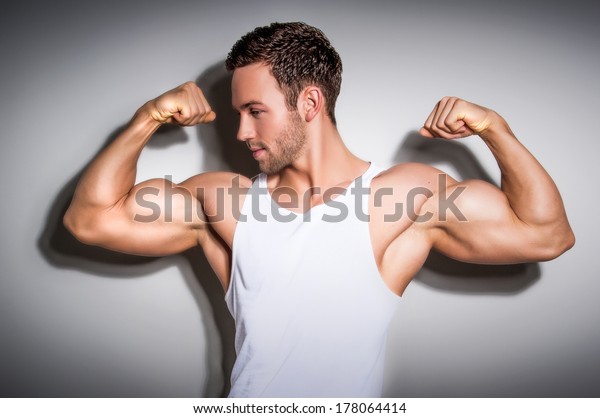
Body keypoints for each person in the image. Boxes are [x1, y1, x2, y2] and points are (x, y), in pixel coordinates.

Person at [63, 22, 574, 397]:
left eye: (255, 112)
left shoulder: (401, 197)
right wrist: (146, 119)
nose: (240, 132)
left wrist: (496, 130)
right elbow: (89, 220)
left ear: (309, 105)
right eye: (239, 113)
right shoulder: (224, 201)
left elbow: (546, 235)